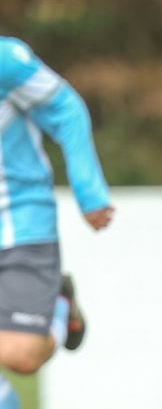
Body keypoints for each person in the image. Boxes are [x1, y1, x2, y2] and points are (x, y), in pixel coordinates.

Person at [0, 36, 113, 409]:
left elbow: (65, 108)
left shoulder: (6, 60)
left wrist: (89, 191)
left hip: (20, 220)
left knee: (22, 355)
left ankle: (60, 305)